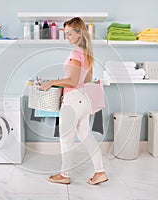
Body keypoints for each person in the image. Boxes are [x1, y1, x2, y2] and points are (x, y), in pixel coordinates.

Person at [40, 17, 108, 185]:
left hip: (73, 100)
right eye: (65, 33)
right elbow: (87, 78)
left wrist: (52, 82)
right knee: (85, 135)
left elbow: (72, 81)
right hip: (84, 100)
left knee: (66, 138)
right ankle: (100, 172)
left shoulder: (75, 53)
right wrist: (65, 79)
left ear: (79, 33)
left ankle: (65, 175)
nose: (67, 36)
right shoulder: (87, 54)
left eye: (70, 33)